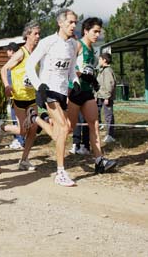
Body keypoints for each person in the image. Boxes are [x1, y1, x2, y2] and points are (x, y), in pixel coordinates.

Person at [25, 9, 81, 186]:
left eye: (75, 23)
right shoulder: (48, 42)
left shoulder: (73, 45)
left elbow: (71, 69)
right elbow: (29, 65)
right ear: (60, 23)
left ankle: (36, 119)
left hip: (63, 92)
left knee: (64, 131)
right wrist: (39, 86)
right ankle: (61, 172)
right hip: (48, 91)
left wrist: (76, 81)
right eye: (70, 22)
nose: (73, 26)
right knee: (64, 128)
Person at [67, 17, 117, 174]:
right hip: (74, 91)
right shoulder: (77, 45)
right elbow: (68, 67)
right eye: (95, 31)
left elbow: (88, 69)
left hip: (87, 93)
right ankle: (44, 121)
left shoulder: (92, 51)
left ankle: (99, 161)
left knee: (94, 124)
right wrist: (82, 75)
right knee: (68, 127)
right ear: (85, 31)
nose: (97, 35)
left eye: (99, 32)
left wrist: (93, 79)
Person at [0, 22, 41, 171]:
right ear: (27, 35)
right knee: (23, 131)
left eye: (39, 34)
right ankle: (3, 127)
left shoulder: (36, 54)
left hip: (31, 98)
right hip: (19, 98)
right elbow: (4, 69)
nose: (38, 36)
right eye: (35, 33)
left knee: (33, 128)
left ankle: (24, 160)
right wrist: (7, 86)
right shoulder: (21, 53)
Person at [96, 52, 116, 143]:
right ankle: (100, 130)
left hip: (105, 97)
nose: (98, 61)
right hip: (100, 96)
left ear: (104, 60)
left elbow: (110, 84)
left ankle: (110, 135)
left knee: (108, 115)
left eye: (100, 59)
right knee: (97, 113)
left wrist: (107, 97)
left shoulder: (107, 71)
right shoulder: (102, 70)